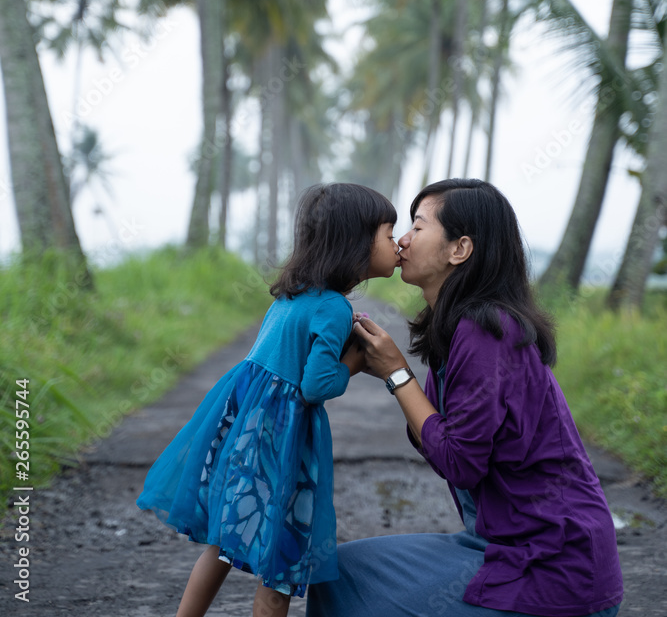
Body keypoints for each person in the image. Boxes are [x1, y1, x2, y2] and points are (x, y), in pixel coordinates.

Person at [307, 178, 623, 617]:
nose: (403, 239)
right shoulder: (456, 330)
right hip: (493, 544)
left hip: (551, 566)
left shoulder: (487, 332)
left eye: (418, 227)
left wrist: (398, 375)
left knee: (342, 583)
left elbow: (459, 461)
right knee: (338, 574)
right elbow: (439, 441)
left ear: (460, 249)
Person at [137, 182, 399, 617]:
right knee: (281, 563)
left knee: (222, 544)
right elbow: (315, 387)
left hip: (246, 434)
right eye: (389, 234)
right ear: (356, 242)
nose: (397, 244)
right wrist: (354, 364)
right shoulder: (333, 308)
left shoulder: (291, 296)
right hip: (282, 444)